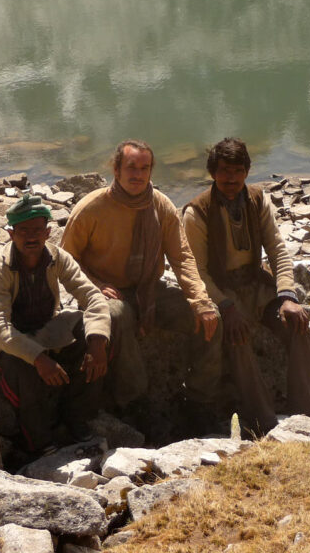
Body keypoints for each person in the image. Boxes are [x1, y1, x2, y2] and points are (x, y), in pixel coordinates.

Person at [61, 139, 222, 434]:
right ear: (116, 169)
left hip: (148, 291)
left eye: (144, 168)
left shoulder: (160, 206)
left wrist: (201, 301)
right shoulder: (91, 208)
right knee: (118, 315)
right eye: (131, 167)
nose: (138, 175)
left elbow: (182, 257)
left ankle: (200, 399)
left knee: (211, 318)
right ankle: (135, 403)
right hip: (104, 294)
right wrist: (95, 285)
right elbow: (65, 261)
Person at [183, 137, 310, 436]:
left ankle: (308, 414)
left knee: (299, 327)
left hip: (258, 287)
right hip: (224, 292)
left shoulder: (258, 200)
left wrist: (287, 295)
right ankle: (264, 422)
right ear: (212, 173)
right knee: (238, 339)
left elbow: (277, 250)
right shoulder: (197, 213)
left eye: (237, 170)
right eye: (223, 171)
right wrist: (225, 306)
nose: (230, 178)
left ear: (246, 171)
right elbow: (198, 272)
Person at [0, 193, 111, 459]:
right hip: (9, 338)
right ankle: (37, 440)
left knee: (92, 336)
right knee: (25, 370)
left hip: (45, 328)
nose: (31, 237)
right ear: (11, 234)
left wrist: (97, 341)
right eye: (24, 231)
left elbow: (92, 297)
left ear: (48, 232)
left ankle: (76, 417)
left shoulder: (58, 258)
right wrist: (38, 358)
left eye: (37, 230)